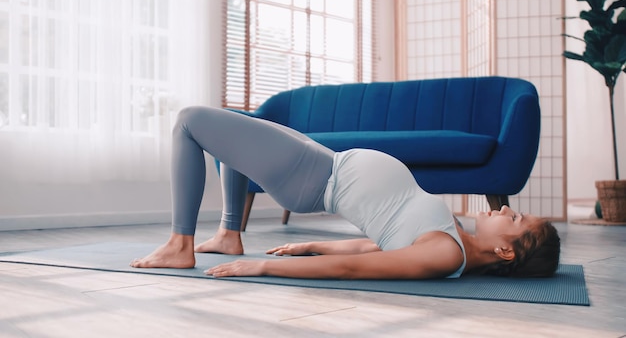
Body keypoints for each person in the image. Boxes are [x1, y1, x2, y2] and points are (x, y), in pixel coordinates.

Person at [131, 106, 560, 279]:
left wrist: (263, 269)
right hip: (326, 163)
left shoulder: (447, 254)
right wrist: (314, 245)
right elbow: (381, 244)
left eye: (516, 220)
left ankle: (178, 244)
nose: (509, 212)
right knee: (234, 126)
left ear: (506, 250)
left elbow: (354, 270)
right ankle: (228, 234)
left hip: (313, 176)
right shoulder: (456, 239)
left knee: (190, 121)